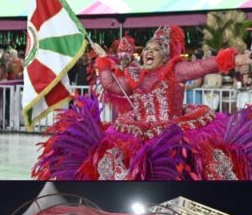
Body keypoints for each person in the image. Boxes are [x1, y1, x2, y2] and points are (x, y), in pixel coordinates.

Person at [33, 25, 252, 180]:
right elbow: (112, 87)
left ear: (164, 56)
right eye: (146, 49)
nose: (148, 52)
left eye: (155, 50)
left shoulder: (175, 71)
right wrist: (103, 64)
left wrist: (233, 59)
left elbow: (205, 66)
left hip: (173, 137)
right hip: (136, 136)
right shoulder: (134, 75)